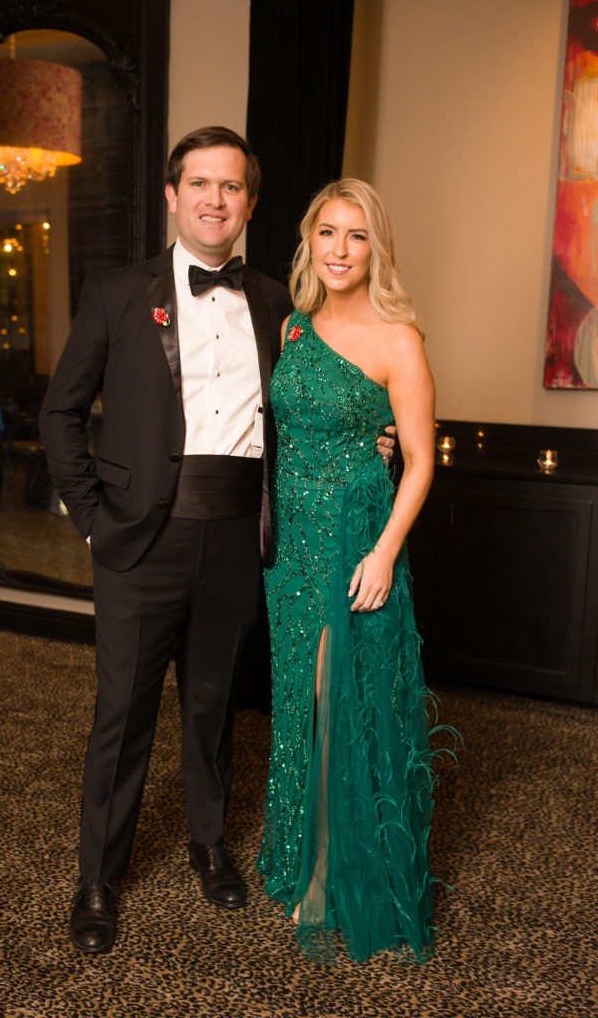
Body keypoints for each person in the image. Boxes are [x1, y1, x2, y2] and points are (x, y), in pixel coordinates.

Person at [40, 126, 396, 955]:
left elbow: (325, 397)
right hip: (137, 539)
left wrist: (374, 435)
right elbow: (60, 414)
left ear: (251, 204)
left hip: (240, 537)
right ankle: (97, 878)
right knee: (122, 714)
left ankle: (209, 845)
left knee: (211, 710)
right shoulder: (117, 292)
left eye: (230, 187)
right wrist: (91, 517)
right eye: (198, 183)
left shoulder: (279, 305)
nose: (213, 199)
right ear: (172, 196)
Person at [257, 178, 454, 964]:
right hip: (292, 549)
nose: (339, 251)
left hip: (352, 542)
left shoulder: (398, 337)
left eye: (356, 236)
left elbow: (419, 460)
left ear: (377, 249)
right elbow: (286, 436)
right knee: (298, 701)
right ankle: (304, 853)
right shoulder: (292, 330)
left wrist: (384, 552)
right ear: (309, 242)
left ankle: (334, 876)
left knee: (339, 702)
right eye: (327, 234)